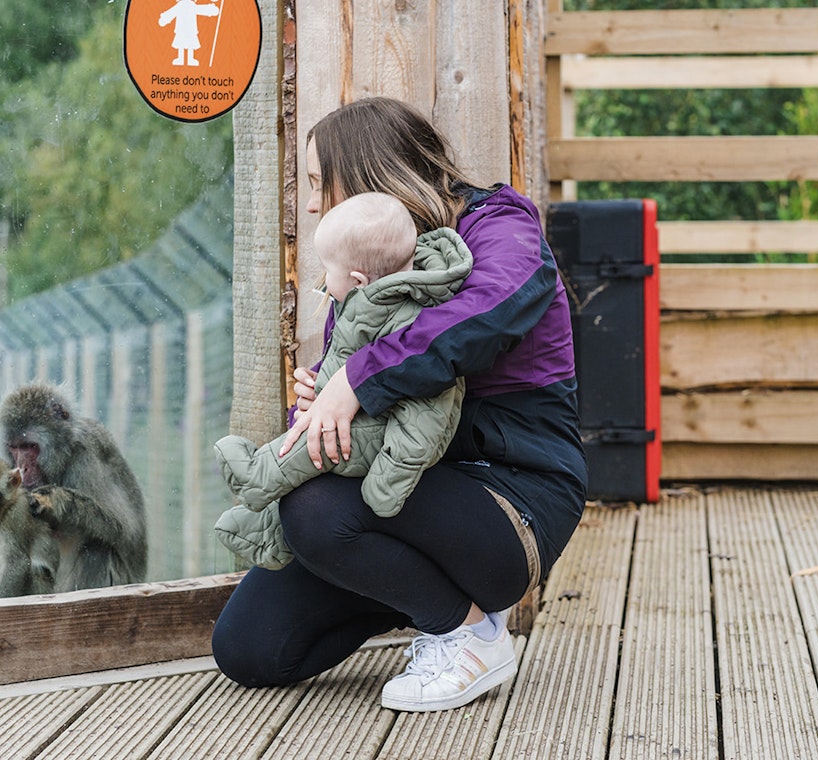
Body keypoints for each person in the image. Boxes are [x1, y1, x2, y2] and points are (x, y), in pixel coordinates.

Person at [211, 96, 587, 713]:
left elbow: (485, 315)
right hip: (402, 503)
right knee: (251, 649)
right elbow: (345, 412)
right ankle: (422, 594)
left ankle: (469, 635)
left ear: (366, 175)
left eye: (317, 182)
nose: (310, 204)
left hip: (512, 499)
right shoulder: (366, 280)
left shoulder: (501, 228)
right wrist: (318, 409)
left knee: (313, 510)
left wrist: (356, 381)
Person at [212, 191, 473, 570]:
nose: (323, 280)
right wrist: (321, 387)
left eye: (326, 270)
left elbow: (426, 415)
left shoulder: (410, 316)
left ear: (357, 278)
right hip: (374, 422)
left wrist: (388, 482)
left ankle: (255, 476)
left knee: (314, 446)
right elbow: (350, 365)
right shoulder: (368, 302)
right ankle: (269, 532)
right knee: (314, 439)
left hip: (390, 441)